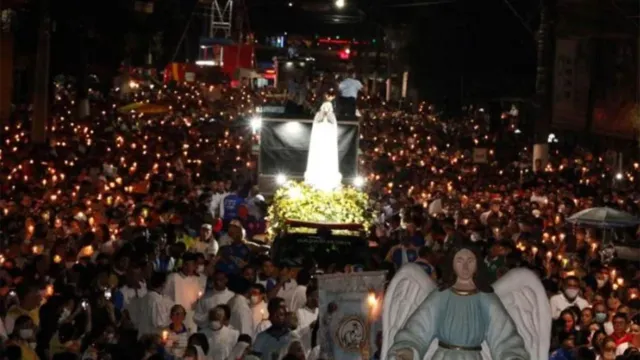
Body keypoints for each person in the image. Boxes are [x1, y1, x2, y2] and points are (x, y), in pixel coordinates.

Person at [387, 243, 528, 360]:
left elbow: (503, 334)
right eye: (460, 260)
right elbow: (418, 328)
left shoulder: (485, 297)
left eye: (470, 261)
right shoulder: (441, 295)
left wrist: (511, 355)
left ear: (477, 263)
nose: (465, 267)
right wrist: (407, 350)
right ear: (452, 263)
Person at [304, 89, 342, 192]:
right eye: (324, 107)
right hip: (319, 144)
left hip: (328, 145)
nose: (326, 110)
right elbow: (315, 125)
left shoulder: (332, 119)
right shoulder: (317, 117)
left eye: (328, 108)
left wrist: (328, 117)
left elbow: (333, 126)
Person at [163, 253, 203, 332]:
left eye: (192, 265)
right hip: (175, 316)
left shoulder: (196, 280)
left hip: (190, 316)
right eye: (187, 265)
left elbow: (198, 298)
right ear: (183, 265)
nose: (189, 268)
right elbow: (165, 297)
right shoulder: (172, 277)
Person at [134, 272, 174, 338]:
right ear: (163, 284)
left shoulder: (145, 297)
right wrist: (172, 318)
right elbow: (160, 322)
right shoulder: (157, 300)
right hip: (152, 338)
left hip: (142, 335)